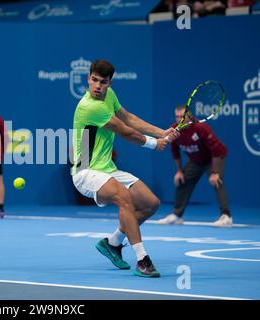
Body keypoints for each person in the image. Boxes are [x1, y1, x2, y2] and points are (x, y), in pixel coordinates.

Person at [71, 59, 178, 278]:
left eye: (103, 82)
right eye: (94, 80)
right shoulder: (89, 107)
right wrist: (153, 143)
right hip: (85, 171)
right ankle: (142, 260)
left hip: (106, 168)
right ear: (88, 78)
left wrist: (162, 133)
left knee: (151, 203)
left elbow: (129, 118)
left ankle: (113, 243)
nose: (98, 86)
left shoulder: (109, 96)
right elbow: (125, 131)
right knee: (124, 197)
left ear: (109, 83)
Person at [158, 105, 233, 227]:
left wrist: (215, 172)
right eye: (177, 117)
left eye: (182, 117)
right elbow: (174, 150)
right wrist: (179, 171)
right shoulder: (174, 129)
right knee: (182, 181)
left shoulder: (201, 128)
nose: (179, 120)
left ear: (189, 116)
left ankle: (226, 216)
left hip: (214, 157)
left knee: (216, 181)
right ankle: (177, 215)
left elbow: (215, 150)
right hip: (196, 160)